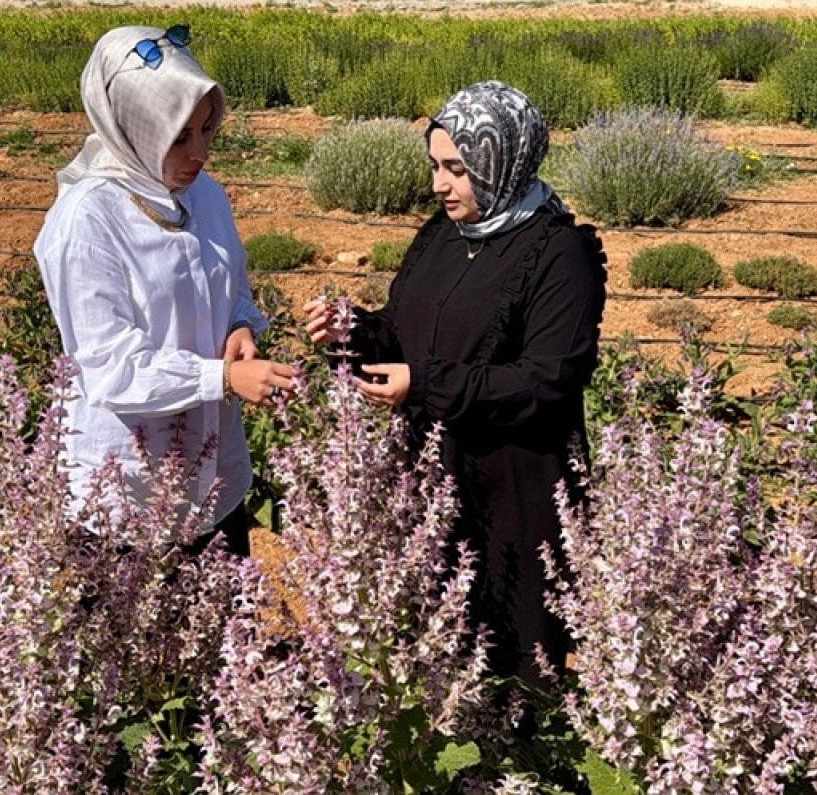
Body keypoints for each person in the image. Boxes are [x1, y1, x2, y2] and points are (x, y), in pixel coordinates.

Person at [305, 81, 607, 684]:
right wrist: (354, 330)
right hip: (430, 480)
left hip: (515, 493)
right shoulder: (443, 236)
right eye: (435, 166)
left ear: (503, 162)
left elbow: (545, 381)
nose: (439, 185)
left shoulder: (559, 255)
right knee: (430, 649)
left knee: (511, 665)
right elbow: (403, 331)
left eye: (458, 170)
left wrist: (424, 385)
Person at [35, 24, 295, 555]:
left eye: (206, 129)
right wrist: (223, 377)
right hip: (125, 492)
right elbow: (109, 365)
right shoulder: (88, 221)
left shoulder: (204, 195)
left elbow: (231, 282)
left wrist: (239, 325)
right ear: (133, 127)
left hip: (212, 478)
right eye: (179, 136)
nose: (199, 152)